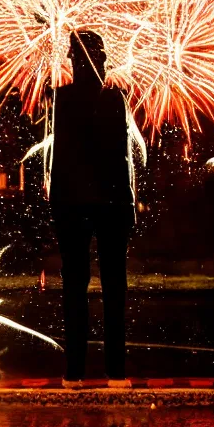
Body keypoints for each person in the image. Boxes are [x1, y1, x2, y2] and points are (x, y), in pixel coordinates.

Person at [50, 30, 135, 388]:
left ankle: (74, 374)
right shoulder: (117, 98)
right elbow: (123, 156)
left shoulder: (59, 98)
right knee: (115, 287)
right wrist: (129, 205)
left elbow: (59, 160)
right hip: (113, 203)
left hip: (70, 203)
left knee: (74, 287)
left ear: (73, 60)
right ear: (102, 59)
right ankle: (116, 373)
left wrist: (55, 203)